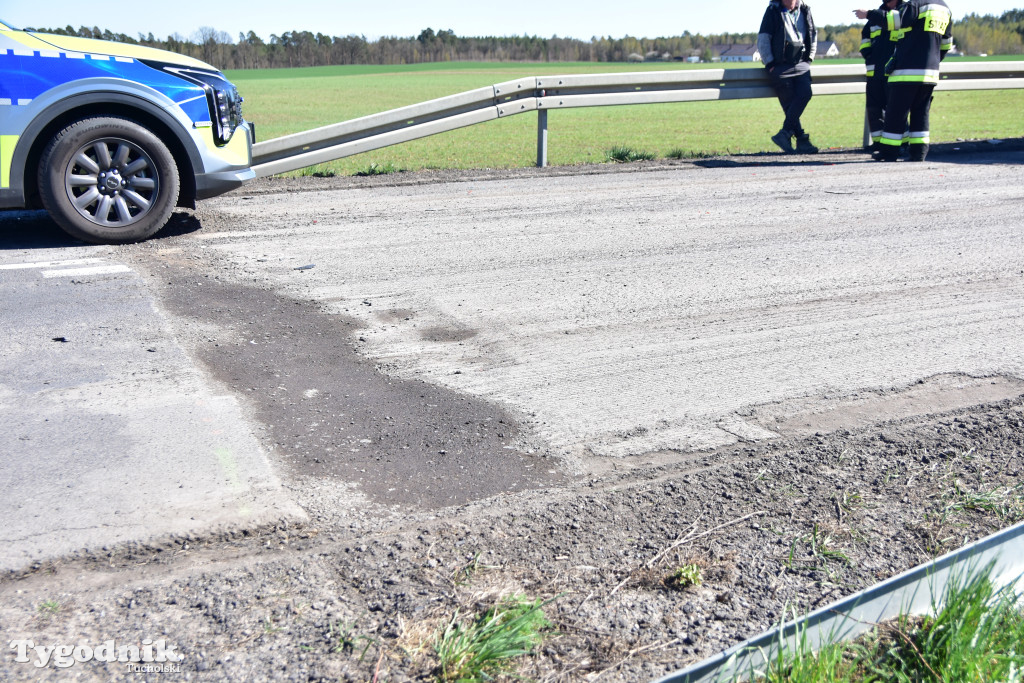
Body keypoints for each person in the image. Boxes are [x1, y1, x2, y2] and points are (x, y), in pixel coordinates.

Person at [854, 0, 953, 161]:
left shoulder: (916, 4)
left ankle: (888, 152)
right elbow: (946, 43)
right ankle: (918, 153)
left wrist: (868, 14)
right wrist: (932, 62)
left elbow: (892, 20)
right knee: (920, 114)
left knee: (895, 113)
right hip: (930, 73)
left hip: (906, 71)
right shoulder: (944, 9)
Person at [758, 0, 819, 154]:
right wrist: (770, 63)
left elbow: (812, 33)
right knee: (790, 103)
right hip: (780, 65)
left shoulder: (805, 9)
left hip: (801, 63)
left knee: (805, 94)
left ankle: (785, 134)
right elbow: (763, 39)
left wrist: (809, 58)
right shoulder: (773, 11)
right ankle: (802, 140)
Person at [859, 0, 905, 153]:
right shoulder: (876, 17)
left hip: (895, 73)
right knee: (873, 109)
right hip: (874, 73)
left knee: (895, 109)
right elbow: (865, 42)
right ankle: (878, 143)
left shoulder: (904, 13)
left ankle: (903, 143)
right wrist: (870, 57)